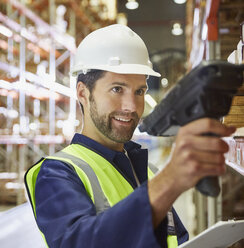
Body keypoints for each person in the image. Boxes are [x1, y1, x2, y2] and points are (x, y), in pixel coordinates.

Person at [24, 24, 235, 248]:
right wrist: (170, 181)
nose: (131, 106)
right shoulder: (56, 173)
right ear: (83, 93)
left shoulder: (147, 171)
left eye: (139, 91)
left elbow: (176, 241)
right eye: (117, 89)